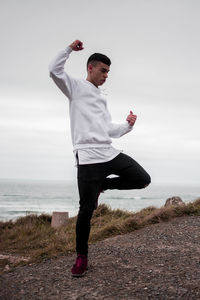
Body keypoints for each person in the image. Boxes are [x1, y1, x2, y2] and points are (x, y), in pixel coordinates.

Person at [49, 40, 151, 277]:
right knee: (86, 211)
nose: (106, 75)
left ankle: (102, 185)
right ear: (90, 68)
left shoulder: (101, 98)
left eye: (108, 72)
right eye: (103, 70)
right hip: (87, 157)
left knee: (142, 179)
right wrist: (68, 49)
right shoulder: (74, 87)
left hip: (108, 152)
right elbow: (54, 70)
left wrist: (127, 125)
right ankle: (81, 257)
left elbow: (108, 130)